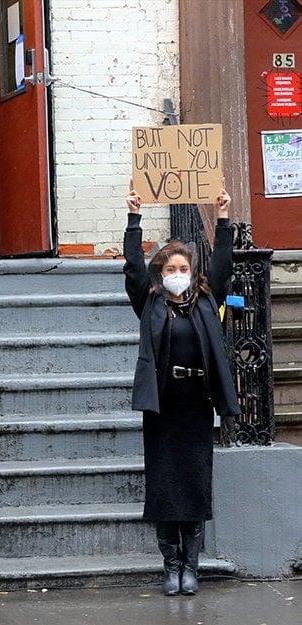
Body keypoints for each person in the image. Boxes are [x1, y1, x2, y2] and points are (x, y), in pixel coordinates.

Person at [123, 178, 241, 596]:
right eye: (170, 269)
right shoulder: (150, 302)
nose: (177, 275)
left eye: (183, 269)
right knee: (163, 486)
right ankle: (169, 566)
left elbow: (223, 265)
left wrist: (223, 217)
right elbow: (134, 271)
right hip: (162, 406)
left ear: (192, 273)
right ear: (162, 274)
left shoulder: (208, 300)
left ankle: (191, 566)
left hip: (195, 405)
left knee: (193, 482)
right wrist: (134, 218)